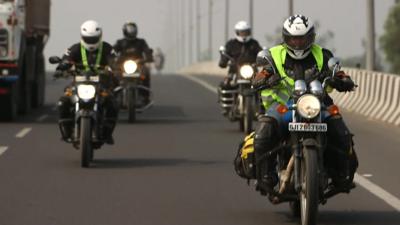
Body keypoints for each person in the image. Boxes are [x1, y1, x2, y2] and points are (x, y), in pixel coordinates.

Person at [252, 15, 358, 193]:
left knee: (342, 133)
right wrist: (263, 79)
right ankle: (265, 175)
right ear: (286, 37)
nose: (298, 42)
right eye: (293, 38)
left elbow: (337, 71)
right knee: (264, 130)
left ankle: (342, 175)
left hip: (319, 105)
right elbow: (262, 73)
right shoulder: (275, 55)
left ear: (311, 37)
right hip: (284, 106)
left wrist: (343, 80)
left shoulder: (323, 54)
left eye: (302, 38)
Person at [55, 20, 119, 144]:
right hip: (78, 84)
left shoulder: (107, 48)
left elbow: (114, 60)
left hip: (101, 85)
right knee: (62, 102)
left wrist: (114, 69)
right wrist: (62, 67)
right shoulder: (74, 48)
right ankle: (66, 131)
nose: (91, 42)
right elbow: (65, 59)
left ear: (100, 36)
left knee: (113, 103)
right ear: (82, 37)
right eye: (88, 39)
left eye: (93, 38)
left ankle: (107, 133)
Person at [218, 21, 262, 115]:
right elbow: (225, 56)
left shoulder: (253, 44)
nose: (244, 34)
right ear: (237, 32)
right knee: (225, 84)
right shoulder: (231, 44)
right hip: (234, 71)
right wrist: (223, 61)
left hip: (252, 71)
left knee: (264, 85)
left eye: (246, 32)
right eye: (242, 32)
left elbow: (260, 53)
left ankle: (261, 108)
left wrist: (263, 59)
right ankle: (228, 107)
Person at [113, 22, 153, 102]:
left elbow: (147, 51)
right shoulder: (120, 42)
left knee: (146, 72)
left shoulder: (141, 42)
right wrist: (113, 58)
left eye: (133, 29)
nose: (131, 32)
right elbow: (112, 51)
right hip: (122, 66)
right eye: (129, 30)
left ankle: (145, 96)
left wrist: (148, 57)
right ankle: (114, 95)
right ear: (125, 30)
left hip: (138, 64)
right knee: (114, 74)